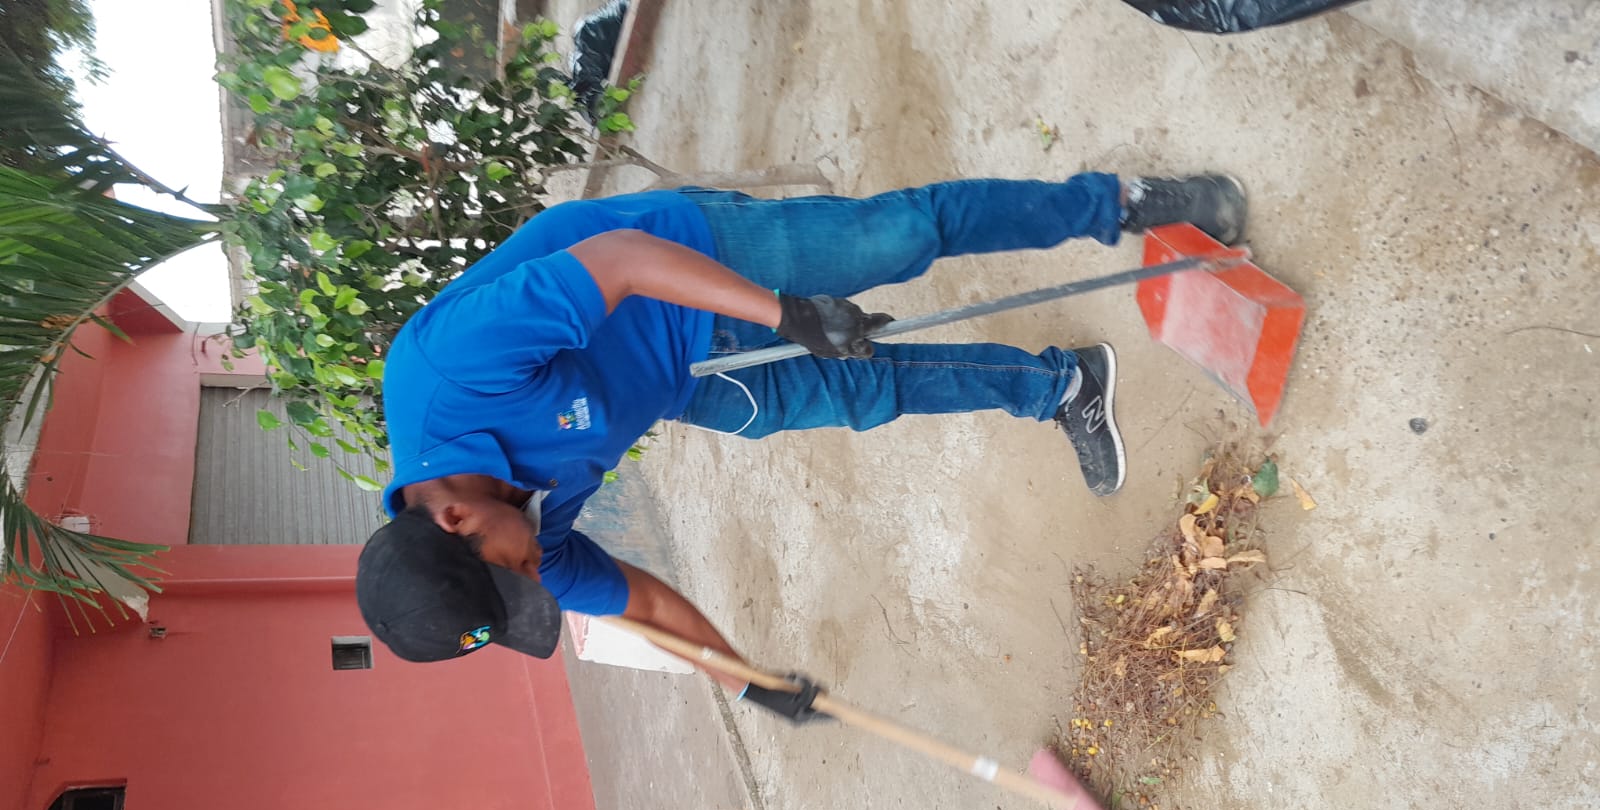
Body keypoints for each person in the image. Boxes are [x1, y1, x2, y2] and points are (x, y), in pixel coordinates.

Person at [354, 173, 1246, 719]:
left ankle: (1119, 203)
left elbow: (621, 259)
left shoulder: (447, 372)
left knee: (897, 237)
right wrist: (744, 681)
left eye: (518, 573)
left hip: (684, 255)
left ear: (458, 519)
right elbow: (644, 604)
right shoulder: (511, 550)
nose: (538, 574)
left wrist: (785, 312)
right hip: (682, 379)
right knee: (870, 394)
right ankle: (1061, 386)